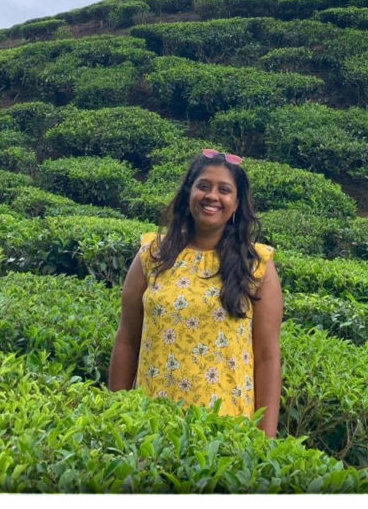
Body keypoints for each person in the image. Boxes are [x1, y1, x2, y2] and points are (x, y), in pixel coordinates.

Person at [108, 148, 283, 438]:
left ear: (237, 203)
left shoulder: (257, 266)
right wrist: (114, 413)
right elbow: (127, 340)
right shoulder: (152, 255)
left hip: (225, 432)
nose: (212, 196)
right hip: (149, 424)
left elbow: (267, 357)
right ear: (188, 193)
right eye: (203, 186)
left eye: (224, 190)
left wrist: (266, 439)